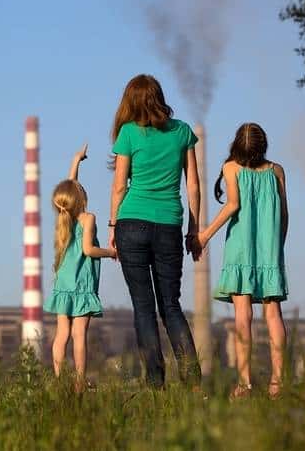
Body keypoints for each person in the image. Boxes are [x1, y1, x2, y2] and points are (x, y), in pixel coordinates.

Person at [109, 74, 202, 389]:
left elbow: (119, 186)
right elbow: (193, 185)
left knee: (143, 307)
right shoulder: (182, 132)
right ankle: (193, 383)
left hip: (131, 223)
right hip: (169, 225)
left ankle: (155, 384)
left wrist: (113, 226)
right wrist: (194, 229)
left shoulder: (128, 132)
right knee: (171, 305)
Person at [197, 122, 288, 399]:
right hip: (270, 250)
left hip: (240, 249)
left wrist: (204, 235)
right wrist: (278, 247)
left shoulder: (231, 168)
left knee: (242, 316)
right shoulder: (277, 171)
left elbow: (233, 204)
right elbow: (284, 215)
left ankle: (245, 383)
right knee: (273, 314)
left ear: (237, 145)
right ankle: (278, 382)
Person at [43, 144, 116, 391]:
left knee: (61, 334)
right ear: (80, 198)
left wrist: (76, 160)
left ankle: (59, 380)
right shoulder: (88, 218)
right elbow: (88, 250)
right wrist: (111, 253)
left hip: (64, 284)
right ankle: (79, 382)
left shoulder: (63, 218)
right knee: (79, 334)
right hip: (82, 284)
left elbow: (70, 186)